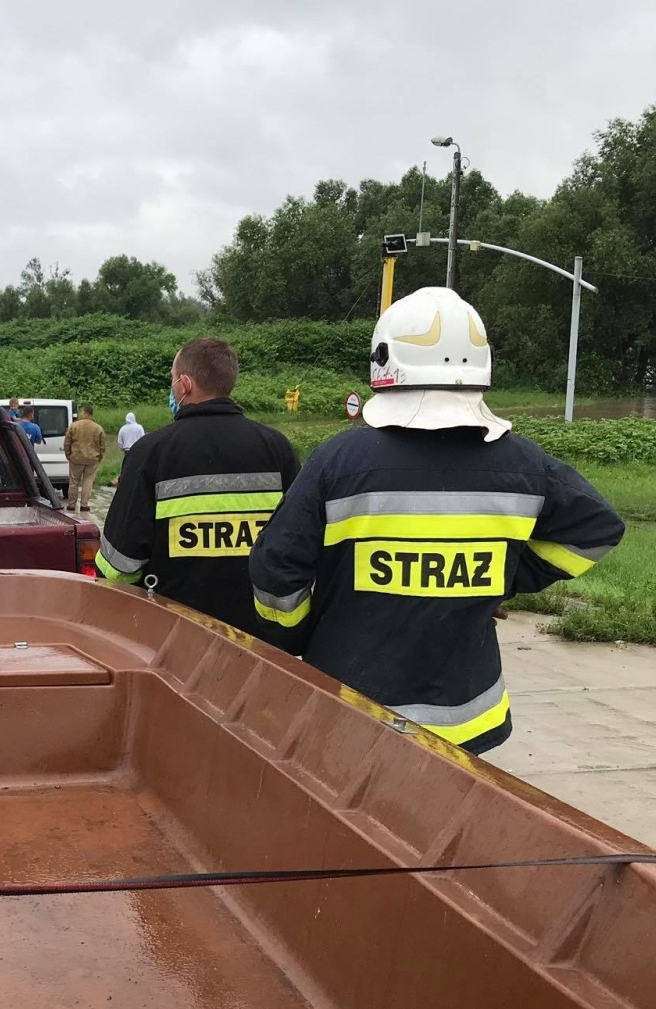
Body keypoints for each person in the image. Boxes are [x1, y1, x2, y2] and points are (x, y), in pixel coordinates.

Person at [249, 287, 625, 754]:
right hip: (470, 719)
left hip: (350, 711)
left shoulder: (340, 460)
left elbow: (276, 569)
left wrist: (295, 636)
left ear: (384, 362)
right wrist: (498, 578)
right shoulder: (526, 464)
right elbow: (597, 529)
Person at [98, 337, 299, 635]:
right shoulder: (277, 448)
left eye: (172, 381)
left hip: (174, 636)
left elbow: (119, 566)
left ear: (185, 385)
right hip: (259, 640)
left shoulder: (151, 452)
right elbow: (296, 545)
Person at [62, 403, 107, 513]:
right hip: (92, 459)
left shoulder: (74, 426)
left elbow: (67, 442)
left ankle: (72, 504)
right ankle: (84, 505)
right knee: (88, 482)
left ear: (84, 412)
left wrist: (68, 455)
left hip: (76, 458)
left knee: (73, 482)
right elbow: (103, 446)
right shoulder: (98, 428)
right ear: (92, 414)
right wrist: (99, 456)